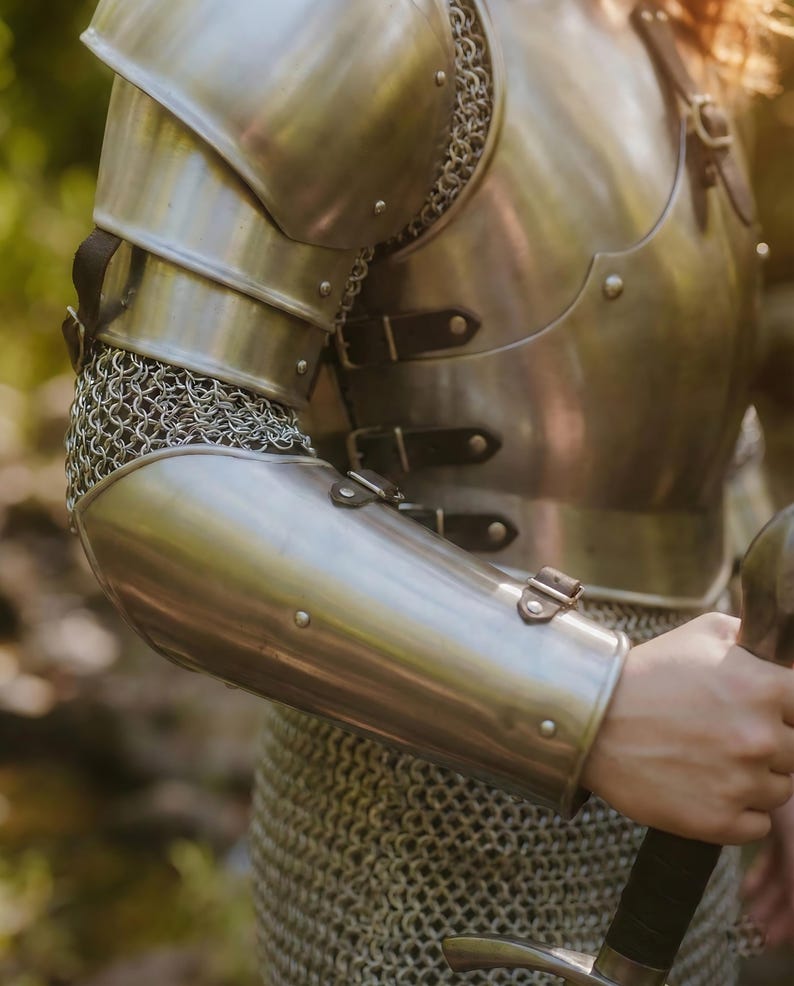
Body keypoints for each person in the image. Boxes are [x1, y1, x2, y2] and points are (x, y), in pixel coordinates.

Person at [62, 0, 794, 983]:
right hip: (416, 836)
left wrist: (763, 712)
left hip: (674, 846)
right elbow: (157, 456)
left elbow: (702, 430)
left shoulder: (665, 24)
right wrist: (593, 702)